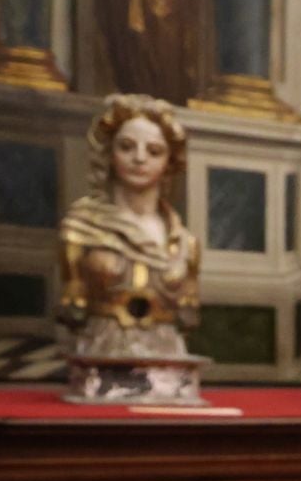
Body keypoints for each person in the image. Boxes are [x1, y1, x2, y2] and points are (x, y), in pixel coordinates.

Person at [57, 95, 200, 361]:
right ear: (110, 154)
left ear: (169, 162)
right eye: (126, 147)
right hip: (101, 353)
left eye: (154, 151)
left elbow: (187, 316)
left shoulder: (185, 244)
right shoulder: (81, 229)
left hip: (166, 360)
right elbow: (71, 310)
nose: (139, 158)